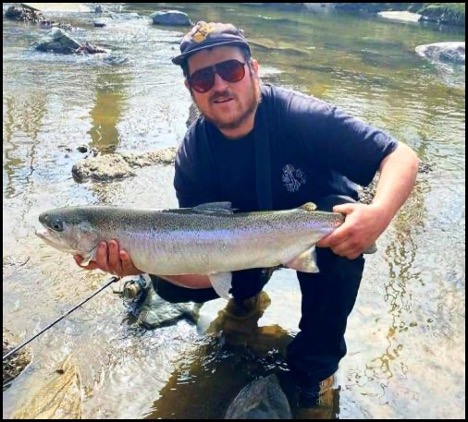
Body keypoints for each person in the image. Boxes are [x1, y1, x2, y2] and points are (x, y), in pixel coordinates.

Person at [75, 21, 419, 417]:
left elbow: (401, 156)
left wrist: (378, 215)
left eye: (231, 70)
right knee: (168, 285)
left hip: (319, 236)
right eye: (203, 78)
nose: (219, 84)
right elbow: (203, 266)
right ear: (191, 90)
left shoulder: (300, 115)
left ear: (253, 70)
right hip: (240, 249)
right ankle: (245, 299)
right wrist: (145, 265)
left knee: (340, 253)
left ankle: (313, 374)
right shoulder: (194, 157)